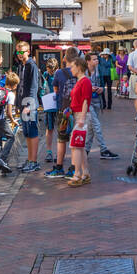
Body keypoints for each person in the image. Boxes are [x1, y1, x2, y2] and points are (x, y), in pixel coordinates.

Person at [46, 49, 80, 179]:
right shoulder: (79, 72)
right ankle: (73, 168)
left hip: (63, 110)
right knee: (74, 140)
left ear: (65, 58)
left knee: (61, 140)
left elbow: (56, 90)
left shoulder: (59, 73)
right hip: (76, 110)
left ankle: (59, 167)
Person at [13, 42, 42, 172]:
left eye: (22, 52)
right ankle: (30, 160)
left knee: (32, 132)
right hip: (22, 103)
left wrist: (29, 105)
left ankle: (33, 161)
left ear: (28, 52)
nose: (20, 54)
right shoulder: (21, 65)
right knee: (27, 133)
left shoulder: (32, 66)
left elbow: (33, 87)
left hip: (29, 103)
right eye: (18, 52)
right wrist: (17, 104)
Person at [85, 53, 120, 159]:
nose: (97, 61)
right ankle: (103, 150)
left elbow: (102, 84)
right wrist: (89, 89)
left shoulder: (98, 70)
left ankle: (85, 150)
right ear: (88, 61)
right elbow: (80, 87)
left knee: (91, 128)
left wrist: (101, 89)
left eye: (97, 59)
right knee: (96, 126)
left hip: (97, 101)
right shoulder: (83, 72)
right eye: (94, 59)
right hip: (87, 103)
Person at [66, 55, 93, 187]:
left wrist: (82, 118)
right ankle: (85, 173)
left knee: (75, 145)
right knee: (79, 146)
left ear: (79, 67)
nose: (70, 69)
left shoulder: (85, 81)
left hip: (81, 116)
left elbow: (86, 100)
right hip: (77, 115)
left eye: (72, 67)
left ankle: (77, 174)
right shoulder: (80, 81)